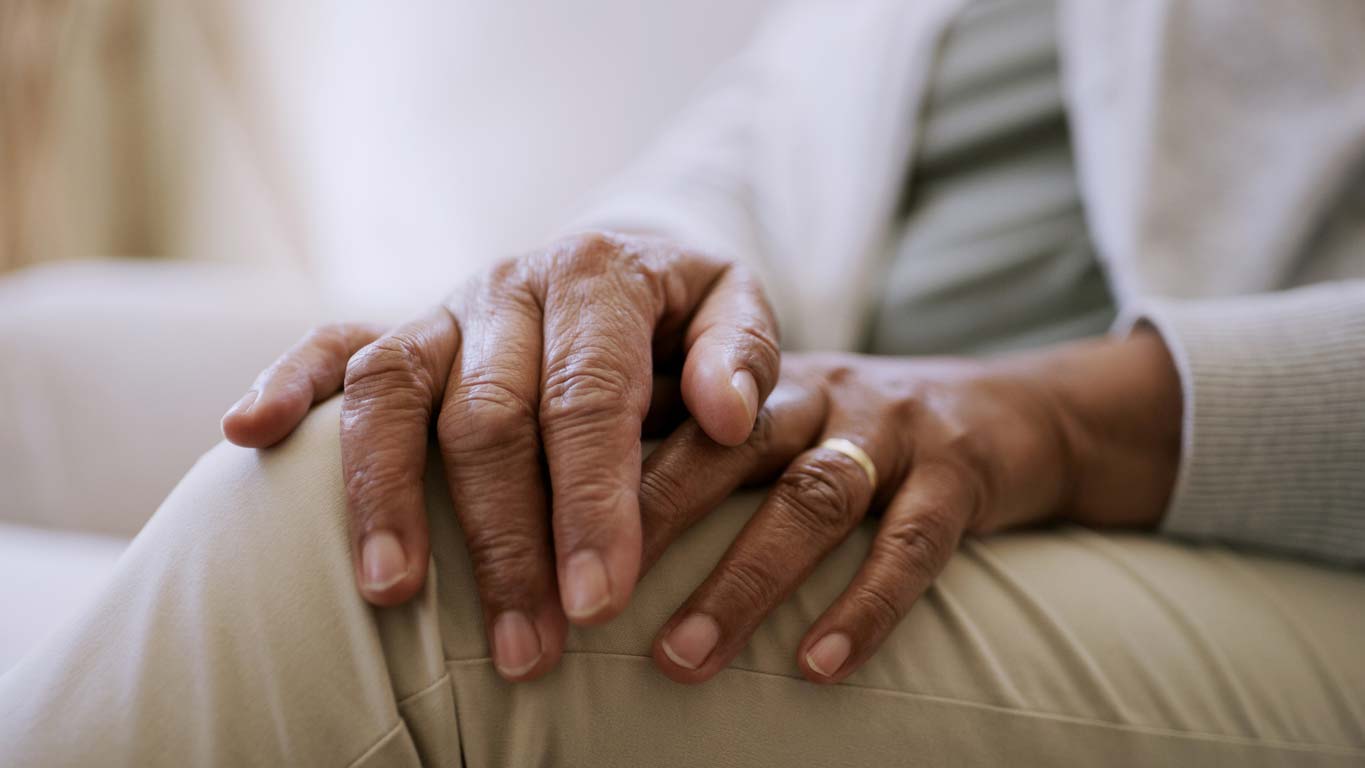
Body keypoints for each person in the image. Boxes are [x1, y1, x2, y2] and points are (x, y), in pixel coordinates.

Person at [4, 0, 1364, 765]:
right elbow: (763, 139)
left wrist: (1064, 414)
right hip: (851, 382)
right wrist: (637, 288)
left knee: (385, 557)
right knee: (32, 367)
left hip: (1251, 503)